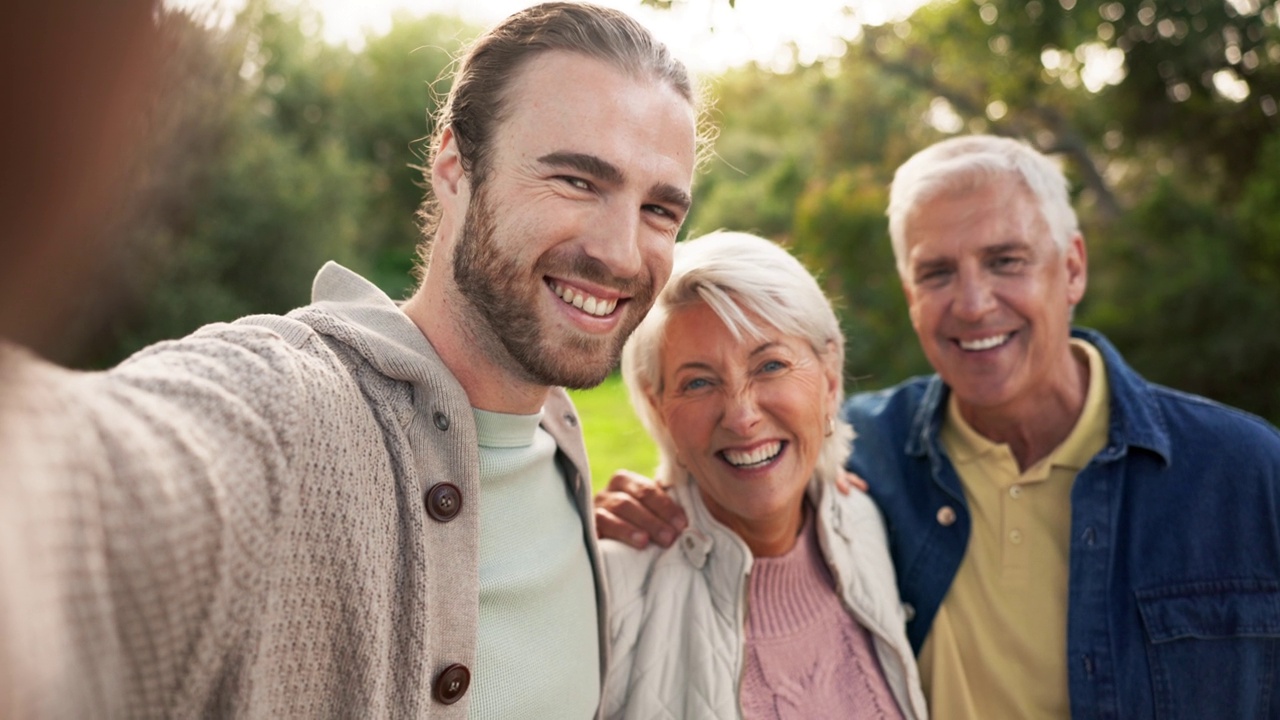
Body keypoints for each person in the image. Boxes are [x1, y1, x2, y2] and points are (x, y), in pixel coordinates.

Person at [0, 2, 700, 717]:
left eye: (659, 211)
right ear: (455, 165)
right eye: (578, 181)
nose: (620, 251)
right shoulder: (284, 407)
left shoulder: (560, 444)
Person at [595, 134, 1280, 719]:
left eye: (1006, 260)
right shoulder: (876, 455)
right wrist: (626, 511)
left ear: (1071, 268)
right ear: (911, 295)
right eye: (938, 272)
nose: (974, 304)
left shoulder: (1244, 473)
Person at [600, 231, 927, 719]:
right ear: (657, 405)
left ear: (830, 375)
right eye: (699, 382)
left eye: (770, 365)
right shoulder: (611, 585)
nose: (741, 416)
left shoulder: (862, 522)